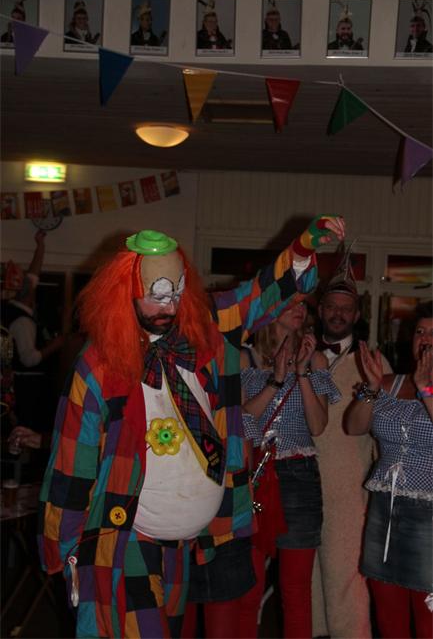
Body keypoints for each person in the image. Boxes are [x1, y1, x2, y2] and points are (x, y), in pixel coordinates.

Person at [38, 217, 345, 639]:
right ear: (125, 292)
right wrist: (65, 548)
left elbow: (261, 295)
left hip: (183, 547)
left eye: (176, 293)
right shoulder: (98, 365)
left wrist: (303, 250)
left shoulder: (206, 328)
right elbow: (73, 462)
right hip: (123, 538)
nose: (169, 307)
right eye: (157, 295)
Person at [236, 301, 340, 638]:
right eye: (290, 301)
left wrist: (303, 372)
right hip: (254, 476)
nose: (300, 309)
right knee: (246, 590)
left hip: (299, 475)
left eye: (303, 303)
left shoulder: (316, 358)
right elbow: (241, 418)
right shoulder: (244, 357)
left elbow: (318, 424)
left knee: (295, 591)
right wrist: (277, 380)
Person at [311, 247, 392, 639]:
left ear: (357, 315)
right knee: (308, 580)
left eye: (346, 308)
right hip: (302, 485)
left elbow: (387, 433)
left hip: (349, 489)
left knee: (346, 579)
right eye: (332, 307)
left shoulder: (374, 365)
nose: (338, 314)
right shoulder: (300, 356)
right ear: (320, 310)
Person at [345, 301, 433, 638]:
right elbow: (354, 427)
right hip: (386, 508)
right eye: (420, 331)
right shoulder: (389, 383)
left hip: (429, 515)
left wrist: (426, 389)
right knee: (387, 611)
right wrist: (370, 388)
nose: (425, 338)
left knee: (426, 618)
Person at [2, 230, 65, 436]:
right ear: (26, 292)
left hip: (25, 386)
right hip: (26, 388)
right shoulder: (22, 321)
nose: (32, 283)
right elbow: (29, 359)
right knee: (27, 432)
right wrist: (55, 345)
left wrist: (40, 246)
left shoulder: (15, 310)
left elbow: (32, 275)